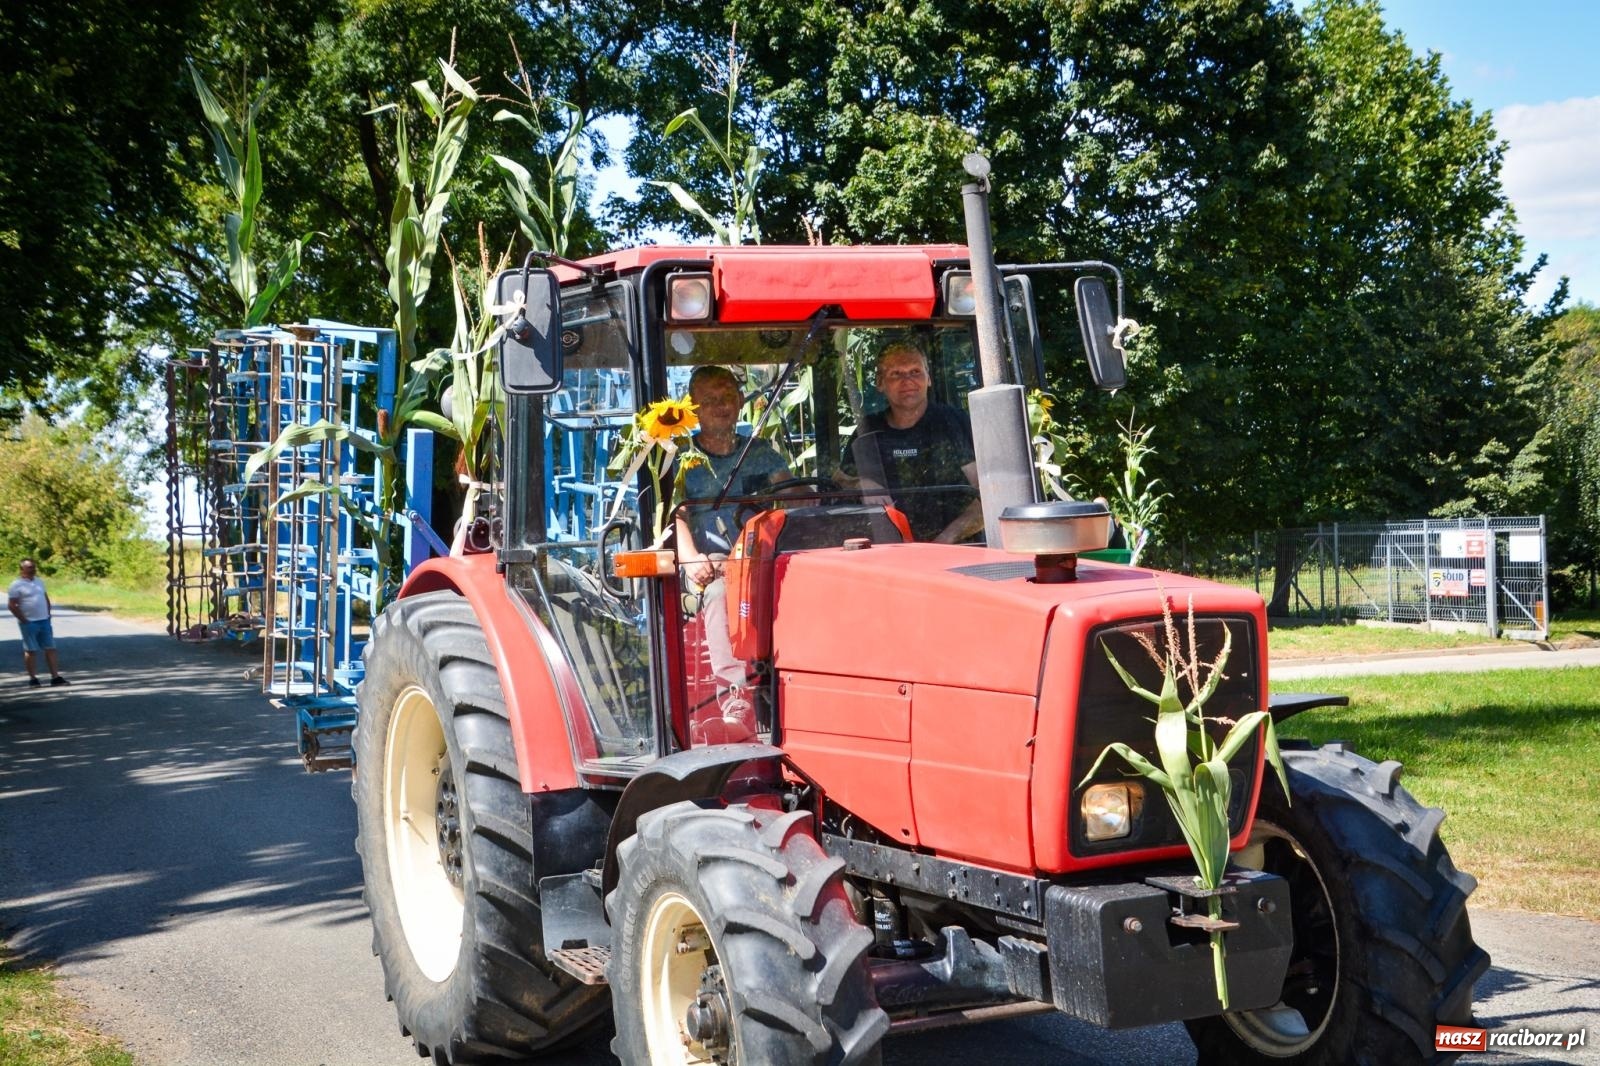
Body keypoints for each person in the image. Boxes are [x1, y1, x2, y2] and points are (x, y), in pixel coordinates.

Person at [673, 365, 792, 693]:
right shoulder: (683, 460)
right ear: (693, 407)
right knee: (719, 592)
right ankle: (734, 694)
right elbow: (675, 516)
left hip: (763, 557)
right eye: (709, 399)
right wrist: (691, 559)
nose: (720, 405)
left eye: (727, 396)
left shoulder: (761, 453)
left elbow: (793, 493)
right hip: (712, 564)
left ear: (740, 400)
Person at [839, 342, 983, 542]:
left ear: (928, 378)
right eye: (896, 374)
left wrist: (943, 541)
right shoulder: (868, 431)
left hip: (956, 550)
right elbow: (839, 481)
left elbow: (987, 495)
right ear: (880, 383)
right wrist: (861, 483)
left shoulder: (953, 423)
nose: (907, 380)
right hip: (886, 551)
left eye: (915, 371)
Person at [9, 559, 68, 687]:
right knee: (31, 650)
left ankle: (55, 677)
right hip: (29, 622)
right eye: (30, 567)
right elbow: (12, 605)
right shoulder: (16, 584)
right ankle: (33, 679)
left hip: (44, 620)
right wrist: (23, 620)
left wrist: (48, 614)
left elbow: (45, 598)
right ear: (22, 569)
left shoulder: (39, 581)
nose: (33, 569)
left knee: (51, 648)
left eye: (34, 567)